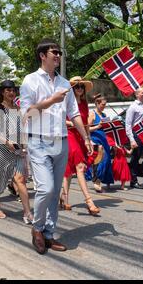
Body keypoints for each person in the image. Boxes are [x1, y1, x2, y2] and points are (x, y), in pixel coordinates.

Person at [20, 38, 93, 255]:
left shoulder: (65, 84)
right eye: (54, 52)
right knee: (46, 188)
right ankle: (37, 228)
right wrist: (51, 101)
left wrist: (86, 137)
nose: (58, 56)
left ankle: (49, 234)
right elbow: (26, 114)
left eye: (60, 52)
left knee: (54, 194)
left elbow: (75, 114)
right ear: (43, 55)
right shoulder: (30, 81)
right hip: (39, 141)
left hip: (61, 142)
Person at [0, 80, 33, 223]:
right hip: (1, 149)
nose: (11, 93)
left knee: (21, 180)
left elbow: (21, 130)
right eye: (8, 90)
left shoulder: (18, 109)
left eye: (13, 90)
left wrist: (24, 146)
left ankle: (27, 213)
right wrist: (6, 141)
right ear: (2, 92)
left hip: (18, 150)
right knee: (0, 179)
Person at [61, 76, 100, 216]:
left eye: (81, 86)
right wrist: (72, 123)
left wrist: (88, 139)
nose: (79, 89)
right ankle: (89, 201)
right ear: (72, 89)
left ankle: (64, 197)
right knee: (80, 167)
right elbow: (59, 119)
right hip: (70, 135)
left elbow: (86, 125)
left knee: (70, 170)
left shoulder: (84, 103)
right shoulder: (67, 102)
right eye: (76, 86)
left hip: (81, 137)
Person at [88, 94, 114, 192]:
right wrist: (97, 127)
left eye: (105, 104)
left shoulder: (104, 115)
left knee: (107, 161)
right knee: (100, 160)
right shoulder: (92, 114)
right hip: (96, 141)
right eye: (103, 104)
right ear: (97, 103)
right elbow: (87, 128)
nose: (104, 106)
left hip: (105, 140)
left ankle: (104, 180)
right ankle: (96, 180)